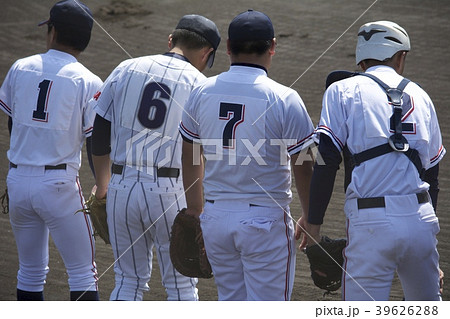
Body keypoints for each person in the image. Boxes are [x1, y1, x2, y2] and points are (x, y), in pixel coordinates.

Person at [179, 9, 315, 301]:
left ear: (227, 48)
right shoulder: (284, 98)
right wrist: (311, 215)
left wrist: (195, 211)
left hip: (215, 219)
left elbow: (190, 154)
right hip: (264, 222)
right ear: (273, 46)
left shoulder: (201, 91)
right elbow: (304, 164)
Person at [306, 21, 445, 300]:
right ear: (400, 56)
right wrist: (430, 249)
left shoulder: (341, 90)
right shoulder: (421, 96)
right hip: (420, 220)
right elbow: (432, 177)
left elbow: (328, 160)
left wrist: (314, 224)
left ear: (361, 58)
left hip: (370, 223)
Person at [90, 14, 221, 301]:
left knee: (127, 281)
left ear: (171, 40)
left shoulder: (126, 68)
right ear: (207, 53)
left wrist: (103, 185)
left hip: (122, 189)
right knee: (181, 287)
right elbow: (198, 153)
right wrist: (196, 207)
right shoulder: (201, 84)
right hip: (171, 193)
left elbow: (98, 130)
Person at [0, 0, 101, 301]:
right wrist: (103, 184)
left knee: (30, 271)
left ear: (52, 31)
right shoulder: (89, 80)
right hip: (59, 186)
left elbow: (12, 123)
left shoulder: (21, 66)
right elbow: (96, 141)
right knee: (83, 272)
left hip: (17, 182)